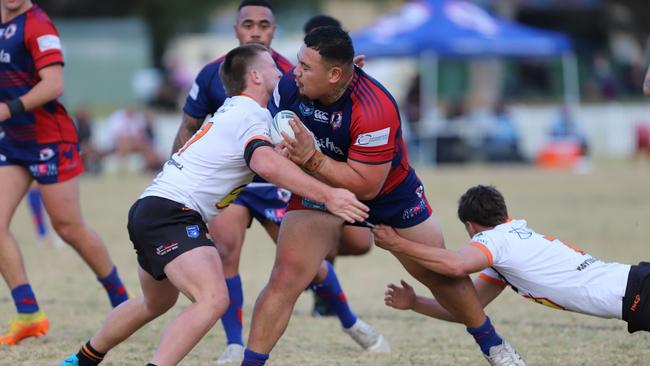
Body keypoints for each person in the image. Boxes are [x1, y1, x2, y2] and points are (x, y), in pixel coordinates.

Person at [59, 44, 369, 366]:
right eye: (273, 66)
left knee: (155, 303)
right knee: (213, 299)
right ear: (255, 76)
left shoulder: (234, 111)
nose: (282, 69)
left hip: (152, 209)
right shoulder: (251, 113)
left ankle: (80, 361)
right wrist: (329, 194)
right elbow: (264, 164)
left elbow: (256, 159)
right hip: (171, 213)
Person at [241, 26, 524, 366]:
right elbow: (270, 130)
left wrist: (310, 158)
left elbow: (365, 186)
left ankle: (494, 346)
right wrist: (280, 150)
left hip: (389, 194)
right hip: (320, 186)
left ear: (334, 75)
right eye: (298, 63)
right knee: (285, 277)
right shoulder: (290, 86)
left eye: (305, 67)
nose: (294, 71)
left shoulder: (375, 108)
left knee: (439, 274)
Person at [171, 2, 380, 363]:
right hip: (235, 185)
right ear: (236, 30)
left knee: (306, 266)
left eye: (263, 25)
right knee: (225, 253)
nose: (255, 31)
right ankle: (234, 343)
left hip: (279, 180)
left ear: (274, 30)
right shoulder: (214, 74)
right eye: (248, 24)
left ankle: (350, 322)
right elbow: (190, 126)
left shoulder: (292, 73)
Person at [0, 0, 129, 346]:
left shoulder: (38, 25)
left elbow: (53, 84)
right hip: (13, 141)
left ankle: (123, 302)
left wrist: (8, 109)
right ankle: (28, 313)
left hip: (49, 140)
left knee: (69, 228)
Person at [379, 185, 649, 335]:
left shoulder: (496, 241)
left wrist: (398, 243)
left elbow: (455, 264)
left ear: (471, 227)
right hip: (635, 286)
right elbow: (470, 307)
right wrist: (416, 303)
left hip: (638, 294)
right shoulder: (510, 243)